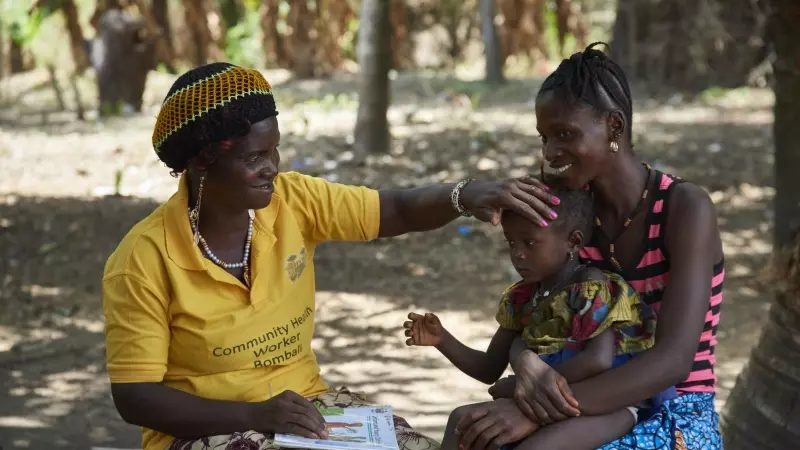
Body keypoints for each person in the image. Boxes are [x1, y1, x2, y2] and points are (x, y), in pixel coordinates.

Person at [101, 62, 559, 450]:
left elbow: (394, 209)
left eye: (275, 148)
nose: (272, 166)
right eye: (254, 156)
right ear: (203, 161)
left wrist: (464, 195)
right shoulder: (143, 259)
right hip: (203, 435)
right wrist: (255, 414)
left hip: (308, 412)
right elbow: (136, 396)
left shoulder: (293, 201)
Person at [452, 42, 724, 450]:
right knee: (468, 429)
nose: (550, 153)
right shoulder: (575, 216)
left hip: (673, 407)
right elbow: (535, 312)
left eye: (565, 135)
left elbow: (673, 359)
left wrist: (533, 411)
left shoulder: (685, 208)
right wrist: (525, 362)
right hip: (584, 392)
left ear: (614, 126)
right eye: (544, 137)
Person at [404, 178, 676, 449]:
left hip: (606, 404)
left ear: (573, 241)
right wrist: (442, 340)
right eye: (511, 242)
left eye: (529, 243)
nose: (518, 254)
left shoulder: (590, 288)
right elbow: (489, 368)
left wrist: (524, 386)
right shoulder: (522, 298)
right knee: (461, 421)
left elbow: (598, 360)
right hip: (544, 399)